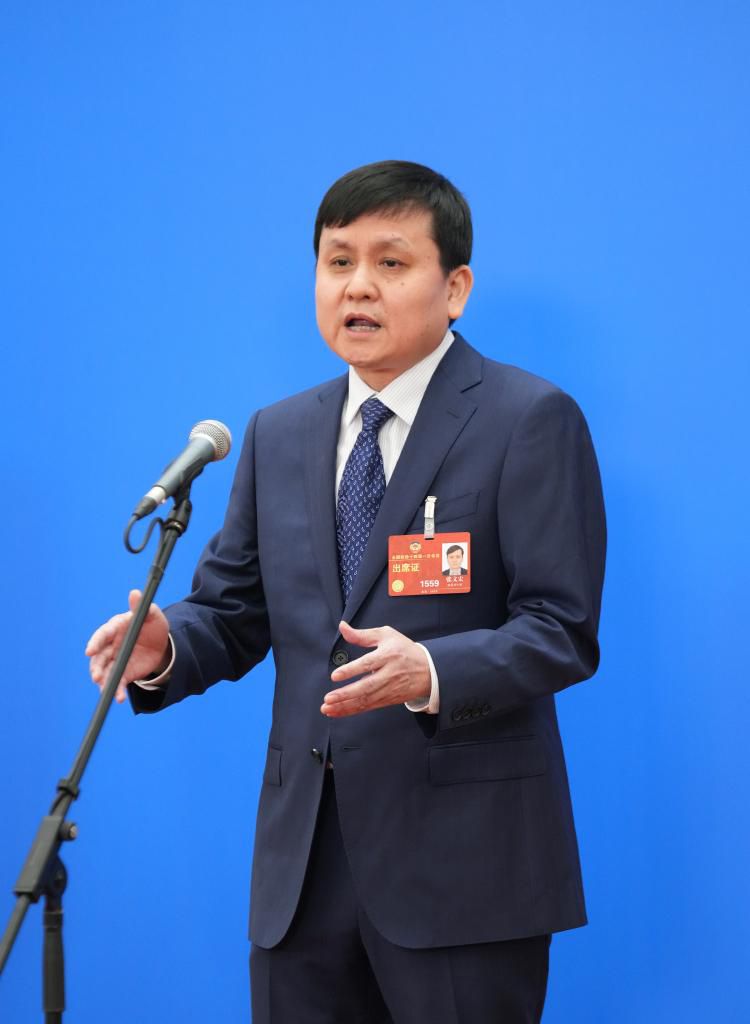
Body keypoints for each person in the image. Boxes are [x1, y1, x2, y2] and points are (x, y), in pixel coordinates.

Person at [86, 160, 606, 1023]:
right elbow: (234, 612)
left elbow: (561, 627)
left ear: (456, 288)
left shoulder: (527, 419)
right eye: (338, 262)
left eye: (391, 263)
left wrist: (431, 671)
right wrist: (167, 644)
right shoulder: (279, 432)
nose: (358, 286)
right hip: (302, 871)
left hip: (463, 869)